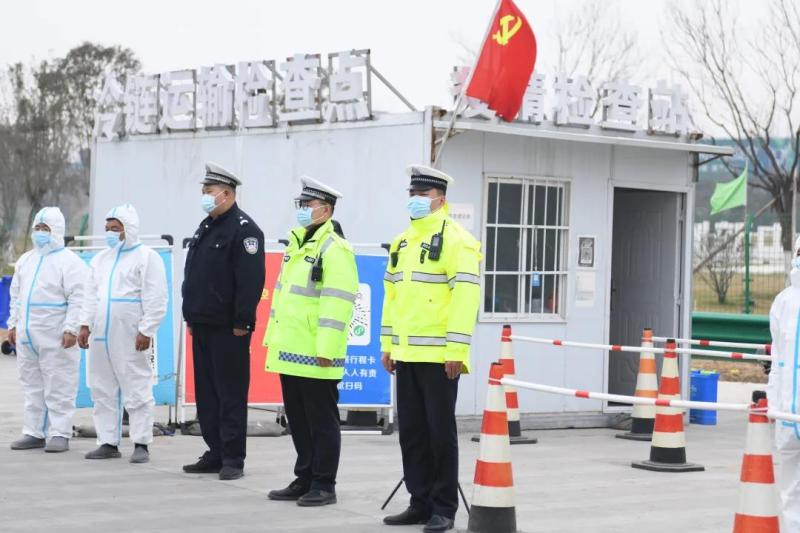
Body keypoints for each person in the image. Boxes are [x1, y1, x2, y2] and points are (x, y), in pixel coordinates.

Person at [380, 165, 481, 532]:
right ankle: (419, 502)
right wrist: (387, 345)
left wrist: (456, 350)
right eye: (412, 194)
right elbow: (392, 298)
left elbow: (465, 300)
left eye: (422, 195)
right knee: (412, 434)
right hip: (406, 355)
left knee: (440, 435)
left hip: (440, 357)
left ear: (440, 199)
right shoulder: (402, 242)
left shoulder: (458, 240)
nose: (415, 200)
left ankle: (444, 508)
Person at [264, 177, 358, 507]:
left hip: (318, 353)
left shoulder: (335, 248)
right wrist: (274, 338)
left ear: (326, 210)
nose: (302, 210)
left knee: (321, 422)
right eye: (300, 204)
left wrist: (327, 349)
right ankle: (304, 476)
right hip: (291, 349)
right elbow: (284, 298)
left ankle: (324, 483)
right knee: (299, 420)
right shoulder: (297, 243)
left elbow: (338, 301)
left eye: (308, 205)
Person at [182, 162, 265, 480]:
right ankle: (214, 451)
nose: (204, 196)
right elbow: (195, 275)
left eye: (209, 191)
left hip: (229, 328)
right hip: (202, 323)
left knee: (230, 393)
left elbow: (250, 280)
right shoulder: (206, 226)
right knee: (207, 394)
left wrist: (243, 321)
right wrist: (191, 315)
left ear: (227, 194)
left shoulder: (245, 230)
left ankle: (232, 457)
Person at [78, 204, 168, 463]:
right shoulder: (100, 260)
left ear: (129, 229)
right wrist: (84, 325)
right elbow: (90, 296)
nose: (110, 233)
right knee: (102, 388)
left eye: (115, 228)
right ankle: (107, 442)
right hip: (100, 335)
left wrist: (146, 330)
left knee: (137, 387)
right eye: (107, 228)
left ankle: (141, 443)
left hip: (130, 333)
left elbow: (156, 297)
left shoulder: (147, 257)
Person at [7, 207, 88, 453]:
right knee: (31, 384)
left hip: (56, 334)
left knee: (59, 383)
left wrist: (71, 328)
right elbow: (16, 296)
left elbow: (79, 297)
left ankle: (59, 432)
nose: (40, 233)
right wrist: (13, 324)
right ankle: (34, 432)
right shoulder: (26, 260)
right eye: (38, 228)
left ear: (57, 231)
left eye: (46, 228)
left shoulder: (70, 262)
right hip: (27, 334)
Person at [768, 235, 800, 530]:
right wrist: (773, 404)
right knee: (790, 491)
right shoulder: (783, 301)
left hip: (789, 412)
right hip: (788, 416)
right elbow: (777, 360)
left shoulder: (785, 301)